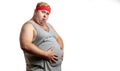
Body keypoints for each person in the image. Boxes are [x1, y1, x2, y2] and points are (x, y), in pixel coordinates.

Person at [19, 2, 64, 71]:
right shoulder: (29, 26)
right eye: (43, 12)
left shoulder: (49, 25)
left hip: (55, 68)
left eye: (47, 13)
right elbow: (25, 45)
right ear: (35, 11)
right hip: (40, 68)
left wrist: (61, 51)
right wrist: (45, 54)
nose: (45, 15)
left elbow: (58, 38)